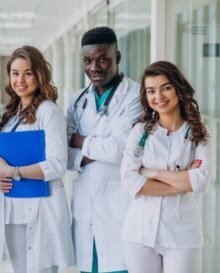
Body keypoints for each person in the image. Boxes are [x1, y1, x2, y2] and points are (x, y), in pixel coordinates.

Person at [121, 61, 212, 273]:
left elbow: (202, 180)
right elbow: (129, 181)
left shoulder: (199, 132)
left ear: (178, 89)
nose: (158, 97)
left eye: (166, 88)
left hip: (182, 234)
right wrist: (184, 180)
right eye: (151, 91)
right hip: (139, 233)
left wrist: (151, 173)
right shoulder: (140, 132)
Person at [0, 45, 75, 273]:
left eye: (28, 73)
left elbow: (57, 164)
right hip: (13, 207)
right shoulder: (10, 114)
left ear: (40, 75)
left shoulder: (49, 112)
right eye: (15, 73)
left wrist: (13, 172)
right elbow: (2, 160)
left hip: (42, 207)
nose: (20, 80)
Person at [66, 26, 142, 273]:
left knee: (121, 266)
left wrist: (79, 141)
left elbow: (118, 150)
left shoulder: (135, 96)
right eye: (87, 61)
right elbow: (63, 154)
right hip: (86, 209)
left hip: (119, 206)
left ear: (117, 58)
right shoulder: (78, 100)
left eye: (103, 59)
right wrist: (94, 149)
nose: (94, 68)